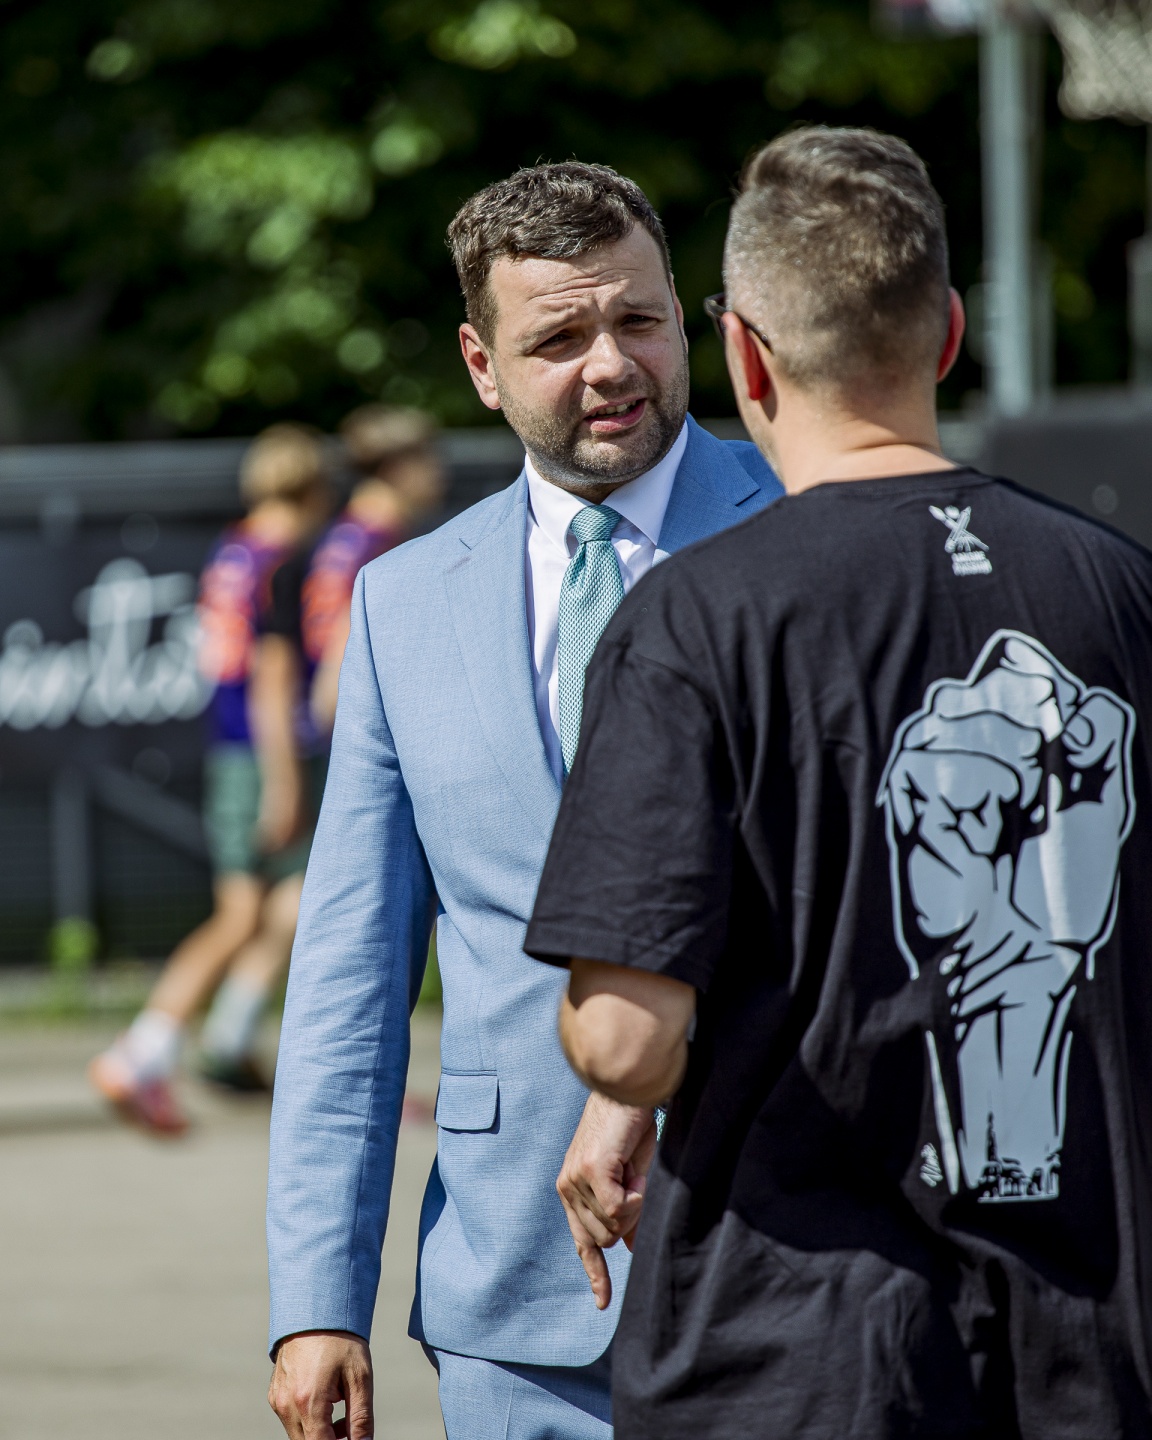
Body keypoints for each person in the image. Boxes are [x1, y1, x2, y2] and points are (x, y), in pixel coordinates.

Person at [526, 124, 1152, 1440]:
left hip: (799, 1352)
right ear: (949, 334)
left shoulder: (696, 619)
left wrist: (610, 1039)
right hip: (1098, 1345)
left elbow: (628, 1042)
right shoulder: (1119, 587)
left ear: (744, 355)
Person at [266, 161, 783, 1440]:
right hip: (509, 1306)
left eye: (640, 321)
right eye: (558, 339)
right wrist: (316, 1299)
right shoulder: (403, 604)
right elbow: (350, 979)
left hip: (785, 1272)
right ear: (481, 366)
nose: (611, 365)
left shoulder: (811, 537)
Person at [89, 424, 330, 1132]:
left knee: (288, 902)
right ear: (311, 486)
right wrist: (284, 782)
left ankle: (221, 1036)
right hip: (262, 752)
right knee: (245, 914)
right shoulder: (282, 560)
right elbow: (271, 678)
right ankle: (143, 1051)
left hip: (233, 748)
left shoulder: (233, 548)